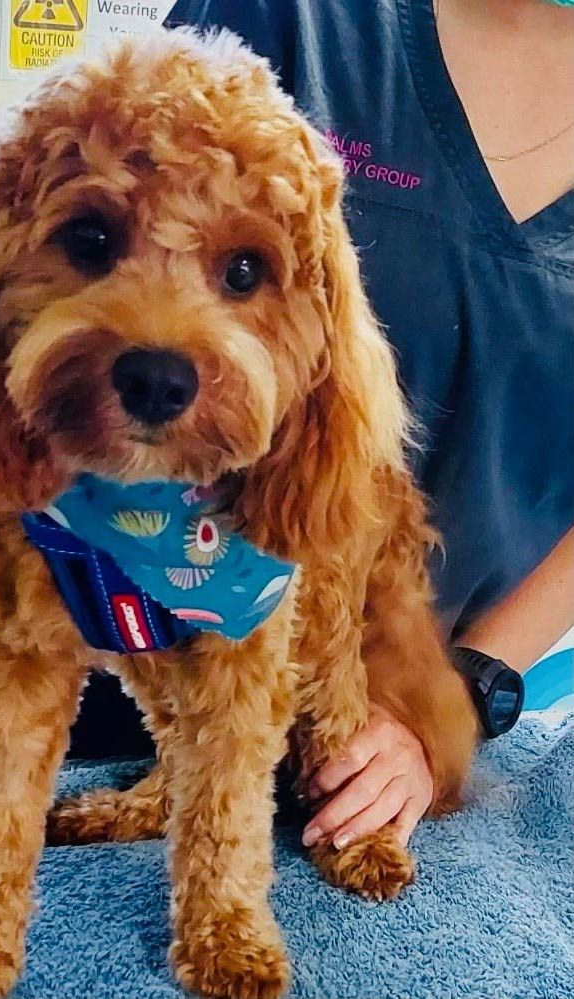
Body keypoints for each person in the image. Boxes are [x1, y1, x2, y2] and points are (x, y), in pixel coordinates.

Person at [70, 0, 574, 851]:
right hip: (160, 676)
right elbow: (100, 278)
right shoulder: (288, 20)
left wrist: (460, 690)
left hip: (398, 737)